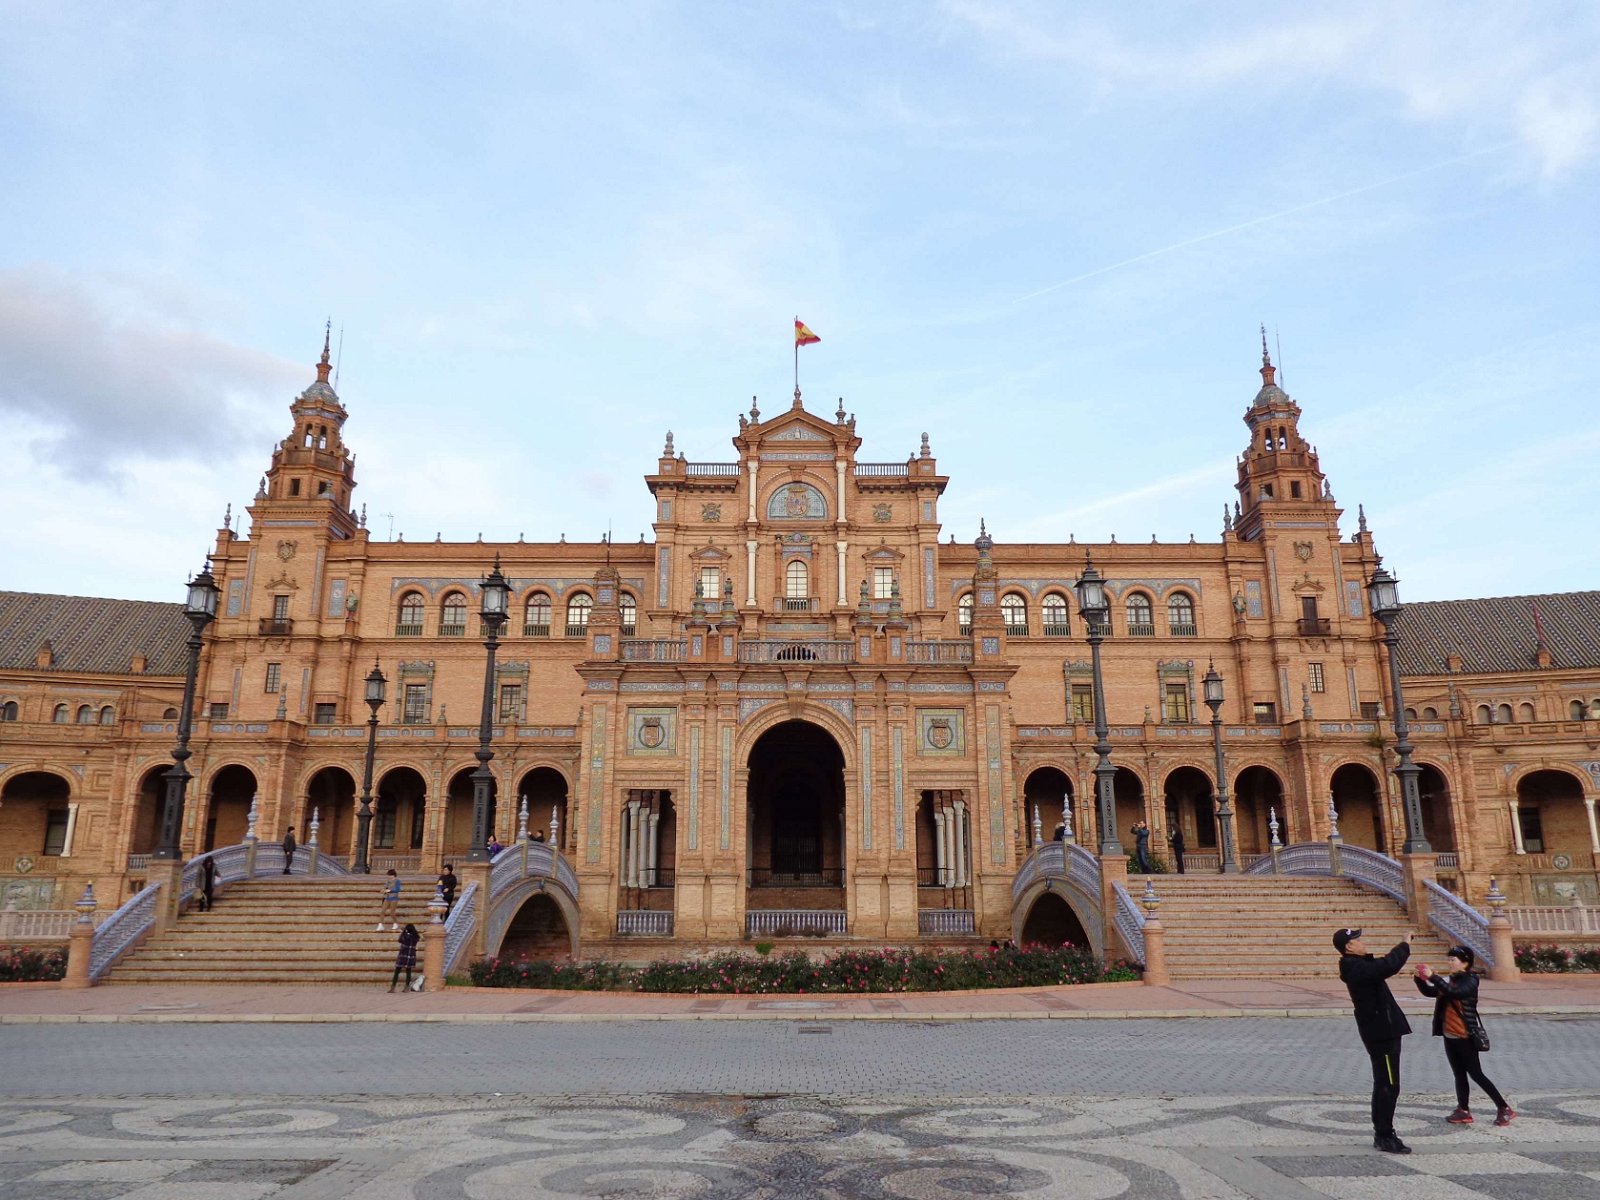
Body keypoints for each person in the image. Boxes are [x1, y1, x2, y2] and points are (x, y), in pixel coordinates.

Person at [1415, 945, 1514, 1126]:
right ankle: (1463, 1110)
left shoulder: (1471, 980)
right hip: (1449, 1034)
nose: (1450, 963)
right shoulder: (1451, 980)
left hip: (1464, 1034)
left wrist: (1433, 977)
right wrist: (1420, 979)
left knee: (1476, 1074)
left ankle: (1503, 1107)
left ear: (1465, 963)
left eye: (1453, 960)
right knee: (1459, 1074)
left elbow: (1456, 993)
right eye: (1449, 959)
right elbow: (1432, 992)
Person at [1336, 927, 1415, 1154]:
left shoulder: (1359, 965)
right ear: (1349, 946)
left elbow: (1380, 966)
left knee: (1386, 1083)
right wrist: (1404, 944)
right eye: (1358, 941)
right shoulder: (1355, 967)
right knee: (1388, 1084)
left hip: (1384, 1030)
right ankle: (1384, 1134)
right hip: (1382, 1033)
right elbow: (1387, 966)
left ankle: (1384, 1131)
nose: (1363, 943)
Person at [389, 923, 420, 993]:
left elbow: (399, 940)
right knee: (408, 972)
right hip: (411, 956)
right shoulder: (416, 937)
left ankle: (393, 988)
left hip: (402, 956)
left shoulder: (405, 936)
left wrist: (403, 932)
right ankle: (406, 987)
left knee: (397, 972)